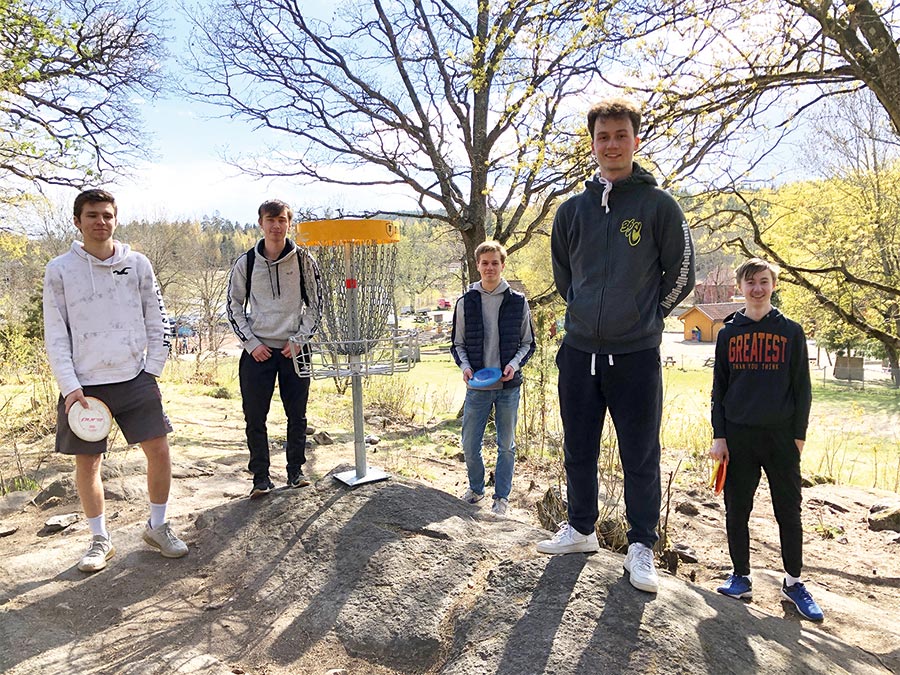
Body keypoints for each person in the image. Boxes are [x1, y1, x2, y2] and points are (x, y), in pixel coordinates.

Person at [537, 98, 696, 595]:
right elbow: (566, 277)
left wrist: (646, 318)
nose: (611, 144)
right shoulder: (572, 211)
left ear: (636, 140)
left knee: (640, 453)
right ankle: (581, 528)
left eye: (620, 135)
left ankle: (641, 546)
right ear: (593, 144)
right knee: (577, 446)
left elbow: (683, 274)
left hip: (636, 354)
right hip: (580, 350)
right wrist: (586, 312)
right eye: (603, 136)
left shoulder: (659, 206)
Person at [43, 189, 188, 573]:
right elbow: (55, 333)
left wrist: (152, 368)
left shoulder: (137, 263)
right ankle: (99, 540)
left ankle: (157, 526)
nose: (100, 222)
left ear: (115, 219)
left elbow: (158, 317)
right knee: (88, 464)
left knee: (159, 451)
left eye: (107, 215)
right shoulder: (59, 269)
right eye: (92, 215)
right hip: (85, 386)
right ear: (77, 221)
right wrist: (70, 387)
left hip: (135, 377)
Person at [710, 258, 822, 621]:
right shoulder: (728, 334)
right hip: (739, 436)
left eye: (763, 281)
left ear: (773, 285)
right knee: (737, 510)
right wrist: (720, 436)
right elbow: (719, 390)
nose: (757, 288)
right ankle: (741, 576)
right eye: (749, 282)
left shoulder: (791, 331)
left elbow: (802, 388)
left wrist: (799, 437)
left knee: (788, 512)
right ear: (739, 287)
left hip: (780, 437)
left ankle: (793, 583)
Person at [226, 199, 322, 499]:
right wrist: (251, 344)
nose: (276, 226)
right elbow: (233, 306)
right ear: (261, 223)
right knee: (255, 416)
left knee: (298, 415)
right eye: (270, 220)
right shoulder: (246, 262)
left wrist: (300, 339)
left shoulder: (304, 260)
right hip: (258, 352)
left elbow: (317, 304)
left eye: (282, 220)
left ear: (289, 223)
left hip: (295, 350)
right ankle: (261, 478)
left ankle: (296, 472)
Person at [451, 241, 535, 515]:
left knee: (506, 446)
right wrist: (465, 367)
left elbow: (528, 343)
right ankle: (476, 489)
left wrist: (513, 365)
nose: (489, 268)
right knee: (469, 443)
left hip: (508, 387)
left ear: (502, 265)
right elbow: (458, 344)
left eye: (494, 263)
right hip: (477, 387)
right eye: (484, 263)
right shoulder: (466, 302)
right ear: (477, 265)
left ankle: (502, 498)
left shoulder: (518, 301)